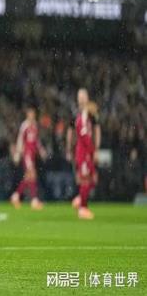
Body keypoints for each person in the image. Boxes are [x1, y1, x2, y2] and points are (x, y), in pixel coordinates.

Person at [66, 89, 101, 220]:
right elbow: (83, 136)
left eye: (83, 96)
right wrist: (92, 150)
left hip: (86, 152)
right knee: (85, 179)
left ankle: (80, 199)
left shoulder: (88, 116)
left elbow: (95, 131)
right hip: (83, 152)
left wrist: (95, 149)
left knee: (92, 178)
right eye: (79, 97)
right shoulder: (80, 117)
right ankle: (83, 208)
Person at [10, 107, 46, 210]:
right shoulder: (24, 126)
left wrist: (41, 150)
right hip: (27, 154)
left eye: (33, 114)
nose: (32, 116)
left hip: (32, 154)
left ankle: (16, 196)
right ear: (27, 115)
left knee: (29, 177)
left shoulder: (34, 125)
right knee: (32, 175)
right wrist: (18, 152)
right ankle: (34, 200)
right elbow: (20, 139)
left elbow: (36, 140)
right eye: (30, 114)